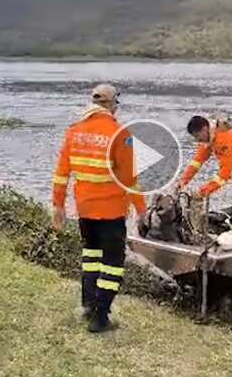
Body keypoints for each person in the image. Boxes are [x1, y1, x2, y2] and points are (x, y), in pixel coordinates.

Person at [52, 84, 146, 333]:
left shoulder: (74, 132)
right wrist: (142, 211)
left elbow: (61, 174)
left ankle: (88, 304)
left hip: (85, 210)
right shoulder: (120, 134)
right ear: (112, 105)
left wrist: (58, 206)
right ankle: (101, 316)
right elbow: (131, 179)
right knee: (112, 263)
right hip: (112, 211)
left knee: (91, 257)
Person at [179, 115, 232, 242]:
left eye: (198, 136)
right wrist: (183, 181)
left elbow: (224, 174)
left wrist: (204, 191)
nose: (198, 140)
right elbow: (197, 162)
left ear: (205, 129)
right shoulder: (209, 139)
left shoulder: (225, 139)